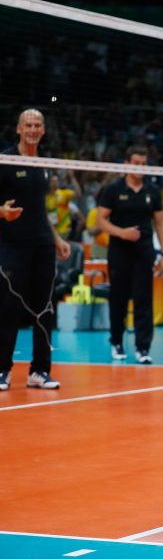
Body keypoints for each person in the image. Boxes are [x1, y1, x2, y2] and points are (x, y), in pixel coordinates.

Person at [0, 109, 71, 391]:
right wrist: (1, 212)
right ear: (18, 128)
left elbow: (39, 209)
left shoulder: (44, 163)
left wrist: (56, 238)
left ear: (43, 130)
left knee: (45, 309)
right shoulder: (4, 160)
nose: (33, 128)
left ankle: (39, 371)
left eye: (37, 124)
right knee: (7, 308)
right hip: (12, 245)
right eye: (28, 124)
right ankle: (2, 370)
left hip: (42, 245)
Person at [96, 146, 163, 364]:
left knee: (143, 299)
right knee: (118, 298)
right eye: (136, 163)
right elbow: (100, 220)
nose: (140, 167)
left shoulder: (152, 190)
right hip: (119, 250)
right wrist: (122, 233)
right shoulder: (113, 189)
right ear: (127, 164)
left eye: (143, 164)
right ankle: (117, 342)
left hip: (144, 250)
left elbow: (160, 222)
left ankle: (143, 348)